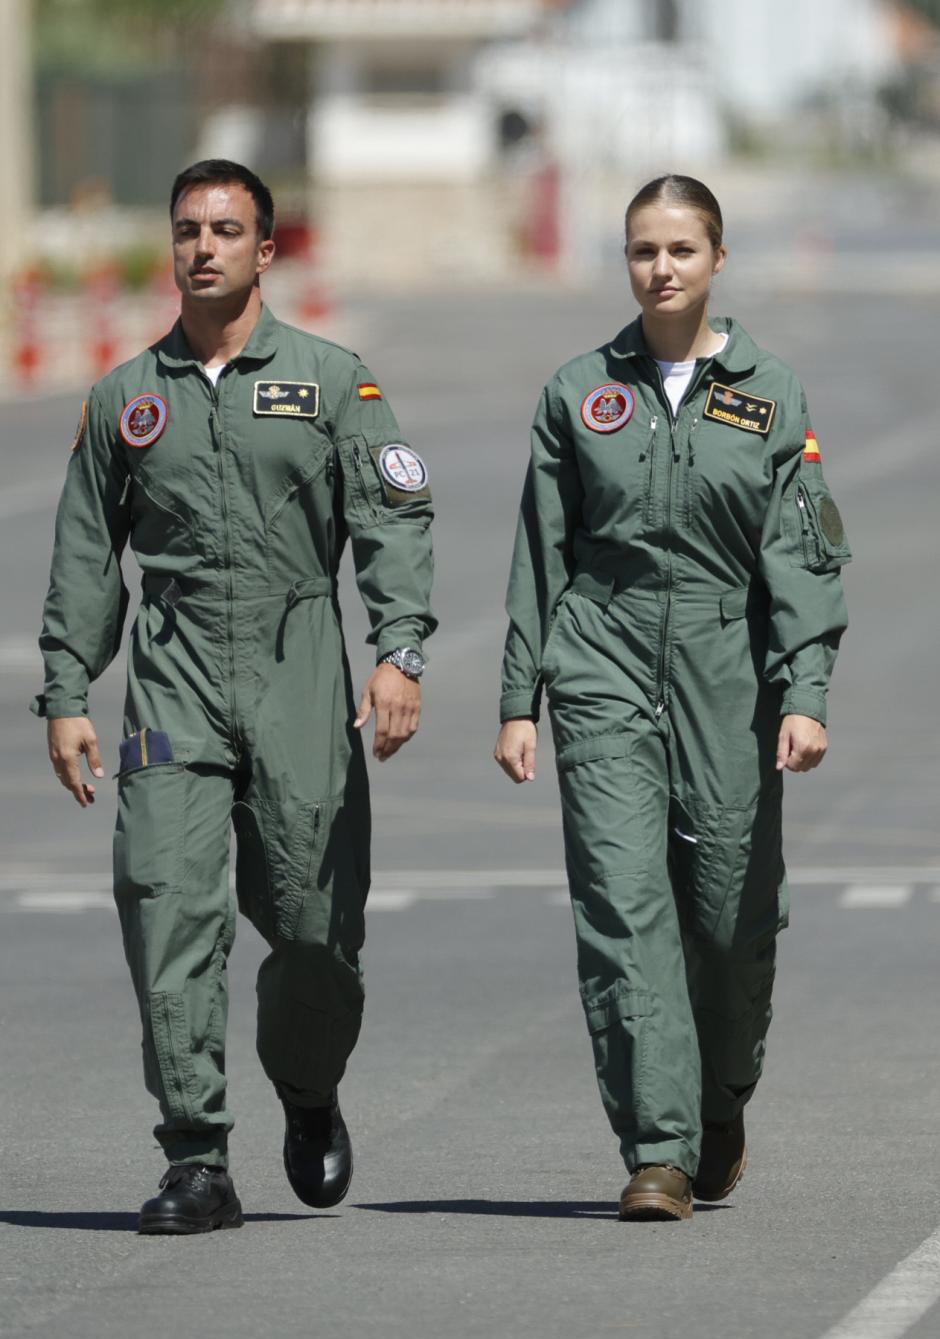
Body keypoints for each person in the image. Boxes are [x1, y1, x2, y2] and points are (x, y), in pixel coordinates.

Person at [33, 159, 435, 1234]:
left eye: (225, 229)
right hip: (174, 674)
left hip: (298, 663)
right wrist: (66, 688)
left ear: (265, 250)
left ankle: (308, 1087)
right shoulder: (125, 399)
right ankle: (196, 1157)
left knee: (312, 927)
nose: (202, 246)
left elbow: (392, 518)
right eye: (187, 229)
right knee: (165, 902)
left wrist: (399, 651)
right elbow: (86, 553)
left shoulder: (333, 379)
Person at [494, 175, 850, 1221]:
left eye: (682, 249)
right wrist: (520, 697)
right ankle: (656, 1149)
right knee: (622, 904)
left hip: (727, 669)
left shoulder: (769, 392)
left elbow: (802, 553)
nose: (661, 268)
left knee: (729, 917)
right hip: (600, 659)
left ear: (718, 259)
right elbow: (540, 551)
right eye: (643, 250)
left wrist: (805, 689)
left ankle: (718, 1100)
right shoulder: (578, 392)